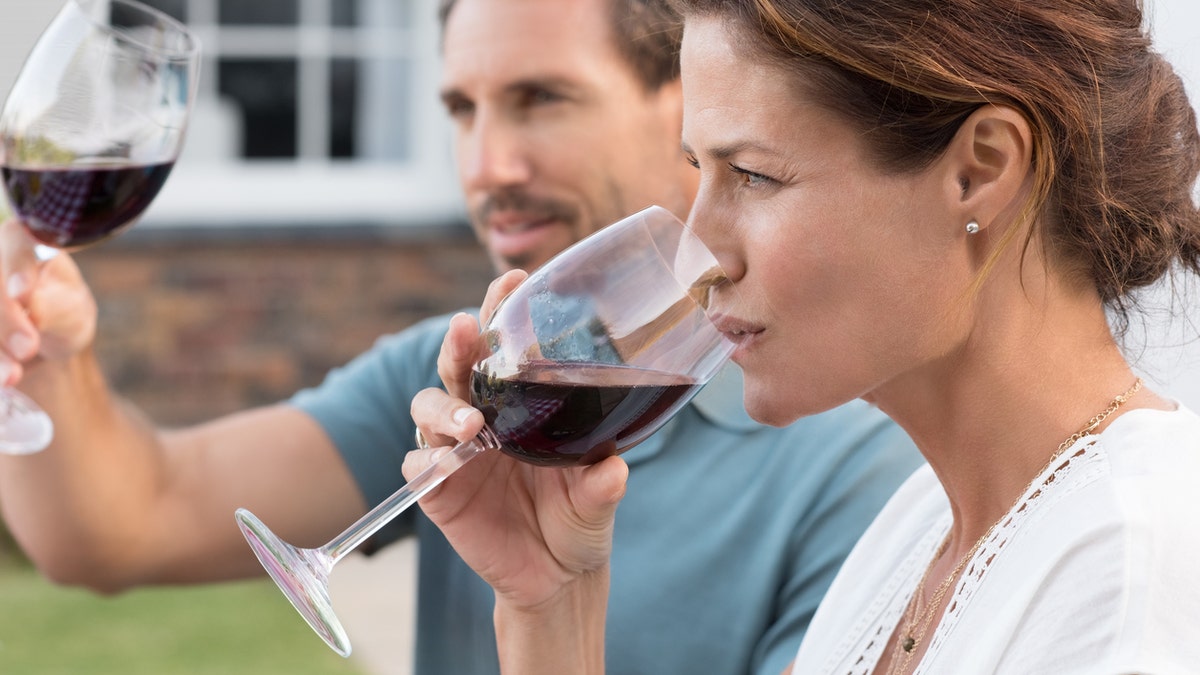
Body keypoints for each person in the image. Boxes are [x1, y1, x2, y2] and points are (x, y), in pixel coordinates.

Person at [0, 0, 922, 674]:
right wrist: (49, 356)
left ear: (688, 104)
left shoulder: (864, 469)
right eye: (461, 110)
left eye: (540, 99)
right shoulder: (474, 375)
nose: (488, 168)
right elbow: (122, 526)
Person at [407, 0, 1200, 673]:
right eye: (698, 172)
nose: (701, 254)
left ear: (980, 170)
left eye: (752, 175)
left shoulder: (1126, 572)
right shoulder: (921, 531)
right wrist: (552, 608)